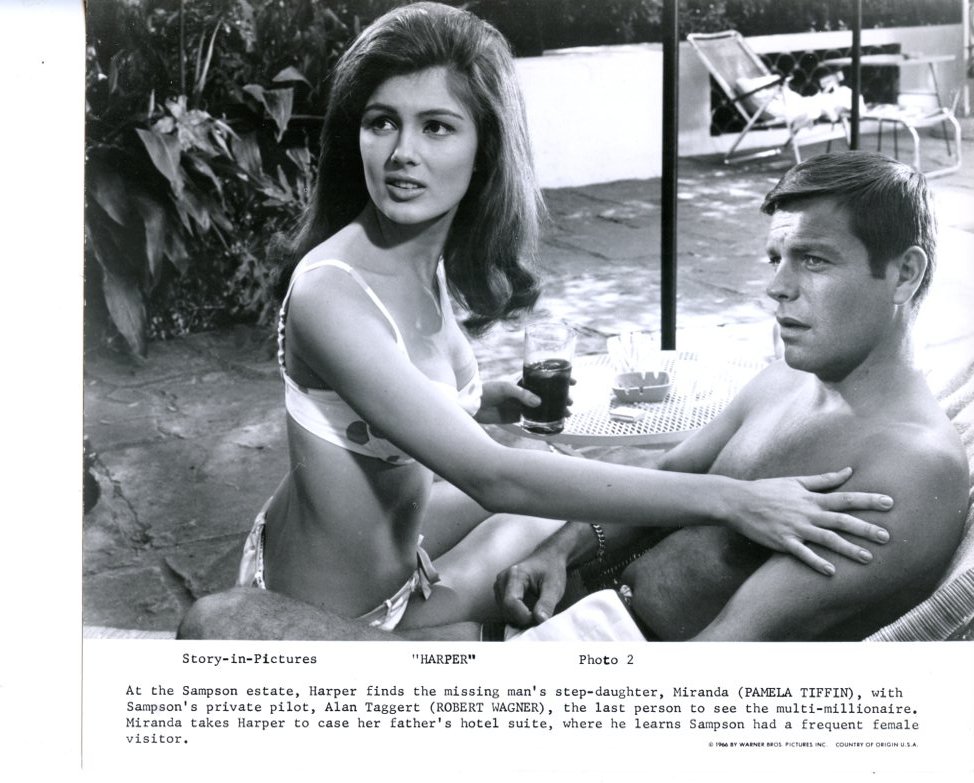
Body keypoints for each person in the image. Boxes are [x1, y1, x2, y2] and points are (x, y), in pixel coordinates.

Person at [177, 4, 894, 641]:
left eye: (436, 127)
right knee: (564, 496)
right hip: (328, 612)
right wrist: (736, 501)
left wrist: (473, 399)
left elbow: (380, 405)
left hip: (406, 556)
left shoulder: (419, 256)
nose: (402, 154)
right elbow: (493, 476)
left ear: (483, 149)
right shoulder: (331, 292)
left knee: (578, 481)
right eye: (381, 122)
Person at [494, 150, 970, 642]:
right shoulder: (786, 379)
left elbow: (723, 656)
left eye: (814, 260)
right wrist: (559, 551)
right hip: (584, 611)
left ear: (904, 274)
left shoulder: (910, 468)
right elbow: (669, 474)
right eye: (776, 259)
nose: (776, 287)